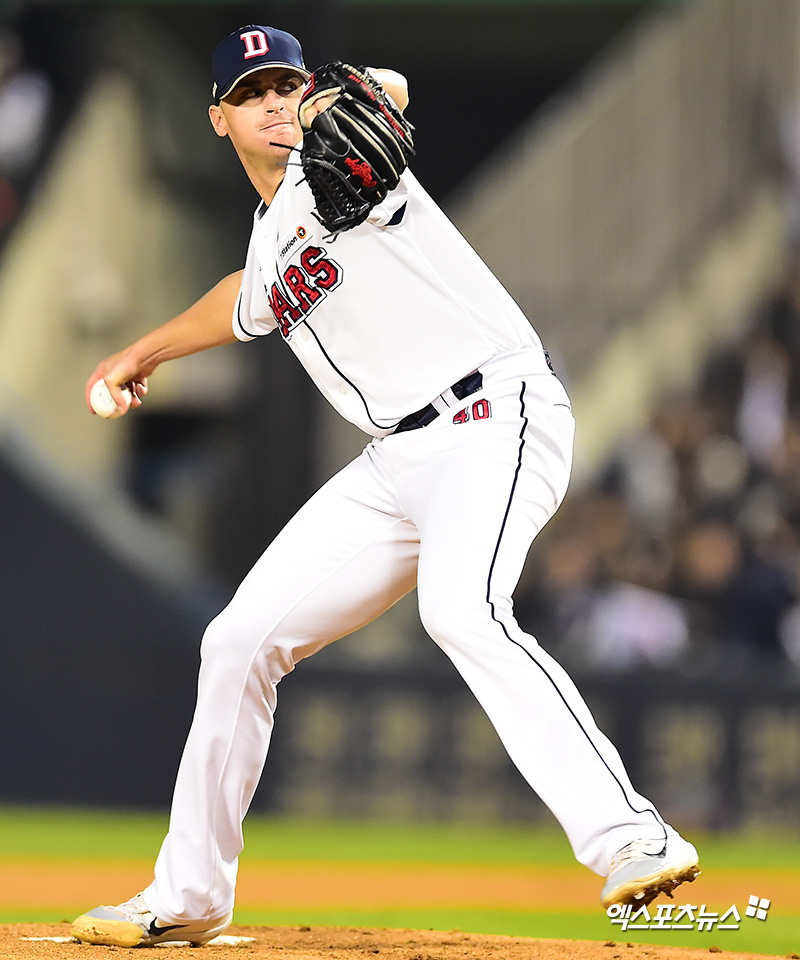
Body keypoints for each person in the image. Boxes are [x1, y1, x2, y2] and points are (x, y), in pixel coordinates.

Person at [71, 24, 699, 948]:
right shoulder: (273, 238)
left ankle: (635, 838)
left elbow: (389, 93)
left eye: (283, 85)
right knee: (238, 640)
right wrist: (142, 351)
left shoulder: (347, 164)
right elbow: (244, 298)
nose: (273, 103)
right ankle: (191, 893)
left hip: (492, 413)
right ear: (217, 119)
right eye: (250, 94)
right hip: (396, 460)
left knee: (462, 610)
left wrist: (348, 97)